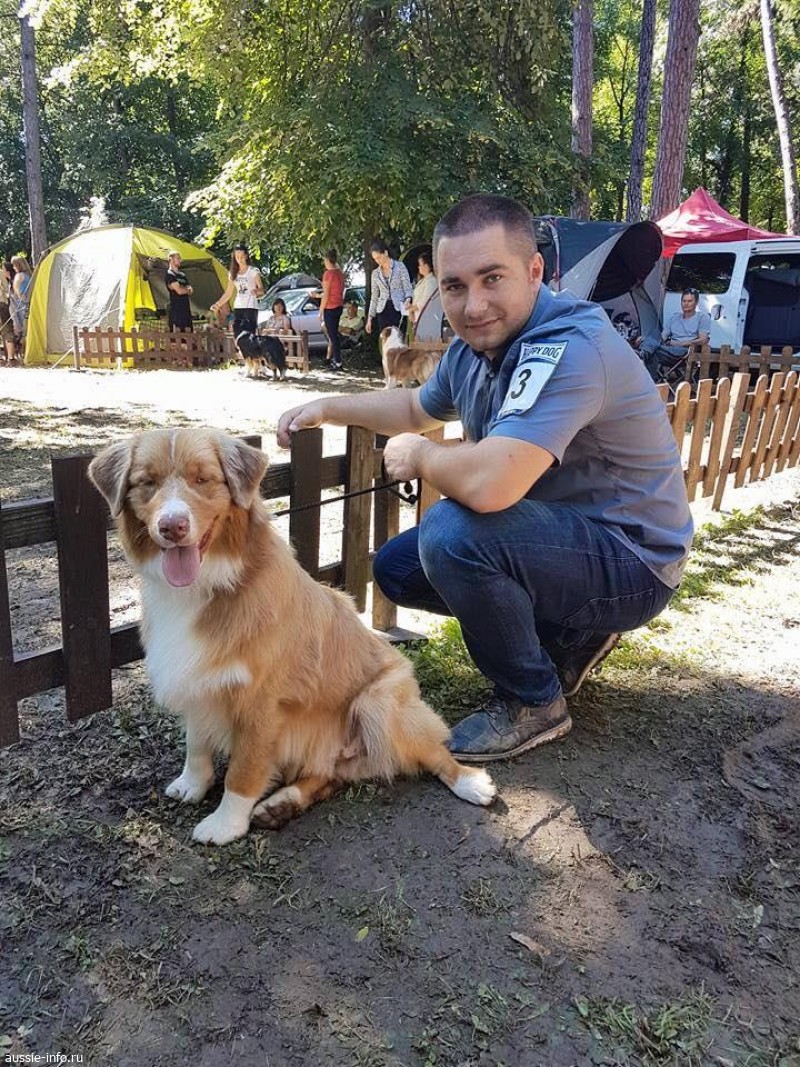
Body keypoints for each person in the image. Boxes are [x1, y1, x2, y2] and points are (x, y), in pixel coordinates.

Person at [277, 193, 693, 763]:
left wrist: (421, 458)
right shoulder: (474, 348)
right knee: (398, 568)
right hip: (561, 537)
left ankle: (533, 701)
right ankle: (572, 635)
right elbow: (415, 408)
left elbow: (490, 486)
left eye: (492, 278)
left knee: (452, 535)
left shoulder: (570, 347)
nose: (473, 306)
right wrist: (328, 407)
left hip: (635, 560)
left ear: (534, 271)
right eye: (454, 286)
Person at [638, 288, 711, 381]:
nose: (686, 304)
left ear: (696, 303)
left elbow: (704, 339)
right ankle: (645, 351)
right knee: (655, 333)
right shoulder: (675, 317)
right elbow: (662, 336)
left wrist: (681, 343)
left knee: (653, 351)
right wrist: (647, 340)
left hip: (684, 351)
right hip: (667, 349)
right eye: (684, 301)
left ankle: (643, 355)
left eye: (690, 301)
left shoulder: (702, 318)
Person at [211, 244, 264, 335]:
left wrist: (256, 291)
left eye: (242, 257)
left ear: (246, 256)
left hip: (251, 307)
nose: (239, 259)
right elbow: (228, 293)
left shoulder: (253, 271)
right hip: (238, 306)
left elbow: (262, 290)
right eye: (237, 257)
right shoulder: (232, 273)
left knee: (249, 335)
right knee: (237, 334)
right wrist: (218, 304)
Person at [365, 239, 413, 335]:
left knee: (399, 338)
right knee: (385, 340)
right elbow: (374, 297)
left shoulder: (400, 266)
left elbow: (408, 288)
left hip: (398, 309)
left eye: (379, 257)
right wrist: (369, 318)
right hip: (383, 311)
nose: (377, 261)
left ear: (386, 253)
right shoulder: (375, 273)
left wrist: (408, 300)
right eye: (375, 259)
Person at [316, 249, 346, 369]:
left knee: (333, 336)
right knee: (334, 335)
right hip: (339, 305)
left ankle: (338, 361)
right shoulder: (340, 273)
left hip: (330, 307)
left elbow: (326, 295)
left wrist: (320, 310)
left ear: (327, 260)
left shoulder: (328, 274)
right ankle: (335, 359)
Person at [408, 248, 438, 327]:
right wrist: (411, 310)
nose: (419, 267)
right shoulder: (423, 280)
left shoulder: (432, 281)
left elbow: (425, 302)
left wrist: (411, 309)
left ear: (427, 266)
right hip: (419, 320)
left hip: (427, 320)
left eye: (420, 264)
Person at [165, 251, 194, 332]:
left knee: (188, 335)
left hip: (186, 310)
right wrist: (185, 289)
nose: (180, 260)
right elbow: (179, 291)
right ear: (171, 259)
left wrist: (182, 289)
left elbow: (191, 290)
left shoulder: (182, 275)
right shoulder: (169, 274)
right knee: (177, 336)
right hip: (176, 312)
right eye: (178, 258)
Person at [10, 256, 32, 354]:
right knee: (27, 329)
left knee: (20, 329)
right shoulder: (29, 275)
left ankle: (23, 352)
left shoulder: (19, 276)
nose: (13, 267)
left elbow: (17, 292)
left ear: (18, 265)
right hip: (27, 304)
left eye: (14, 265)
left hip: (20, 305)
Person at [0, 261, 17, 364]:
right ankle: (11, 358)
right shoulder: (1, 273)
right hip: (2, 304)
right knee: (8, 330)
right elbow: (6, 289)